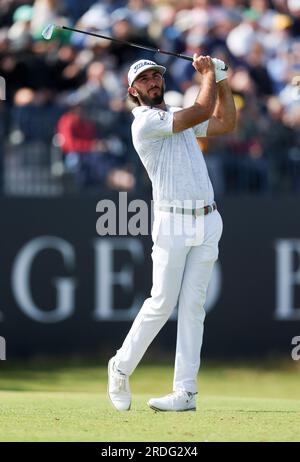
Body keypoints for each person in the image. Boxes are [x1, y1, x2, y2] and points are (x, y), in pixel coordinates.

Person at [108, 55, 236, 412]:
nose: (153, 82)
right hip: (172, 221)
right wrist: (210, 74)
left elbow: (225, 122)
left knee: (194, 307)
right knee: (162, 303)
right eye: (144, 79)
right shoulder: (146, 122)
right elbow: (200, 110)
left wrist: (221, 79)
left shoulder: (175, 113)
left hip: (208, 220)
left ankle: (186, 392)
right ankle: (119, 367)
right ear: (133, 90)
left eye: (156, 76)